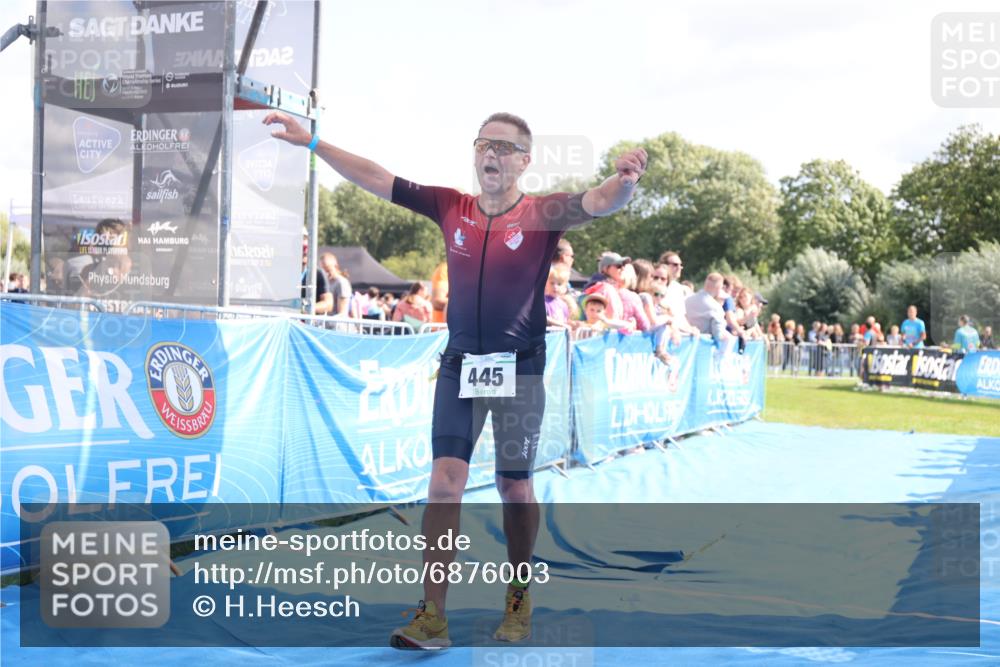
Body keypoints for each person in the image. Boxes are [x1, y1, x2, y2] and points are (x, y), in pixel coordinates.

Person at [264, 109, 647, 648]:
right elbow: (376, 177)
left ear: (524, 161)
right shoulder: (451, 206)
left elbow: (600, 200)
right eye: (484, 144)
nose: (492, 153)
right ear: (475, 154)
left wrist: (626, 179)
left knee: (514, 487)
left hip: (519, 367)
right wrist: (316, 143)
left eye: (505, 147)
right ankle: (432, 615)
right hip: (460, 364)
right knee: (445, 482)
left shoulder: (541, 213)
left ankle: (518, 592)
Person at [684, 273, 732, 347]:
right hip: (704, 348)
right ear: (719, 287)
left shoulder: (687, 300)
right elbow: (718, 335)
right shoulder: (716, 307)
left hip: (686, 345)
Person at [301, 235, 332, 315]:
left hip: (308, 325)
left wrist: (306, 309)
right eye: (302, 248)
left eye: (307, 248)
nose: (305, 251)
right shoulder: (286, 273)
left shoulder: (318, 273)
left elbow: (328, 304)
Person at [319, 251, 352, 317]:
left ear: (336, 267)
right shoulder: (324, 283)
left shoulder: (342, 283)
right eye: (322, 271)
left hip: (337, 326)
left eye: (328, 270)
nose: (325, 274)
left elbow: (342, 313)